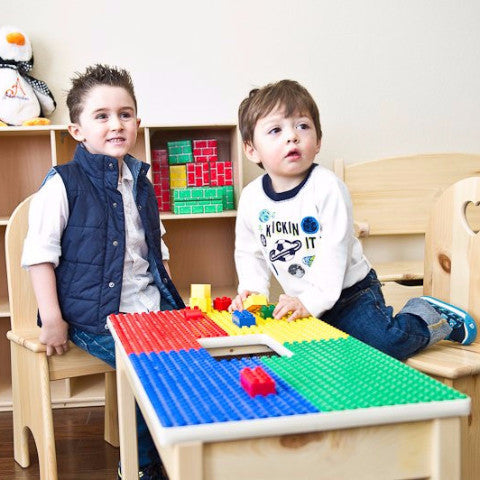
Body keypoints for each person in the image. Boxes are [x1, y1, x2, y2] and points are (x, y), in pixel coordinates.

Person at [230, 79, 477, 361]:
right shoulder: (252, 198)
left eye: (302, 126)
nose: (292, 137)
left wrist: (310, 301)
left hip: (351, 295)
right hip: (306, 300)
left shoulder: (326, 187)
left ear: (318, 141)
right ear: (251, 150)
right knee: (320, 358)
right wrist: (252, 292)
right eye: (276, 130)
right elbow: (250, 252)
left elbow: (334, 249)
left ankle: (429, 316)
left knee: (386, 344)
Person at [21, 64, 182, 480]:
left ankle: (187, 455)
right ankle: (142, 467)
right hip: (92, 313)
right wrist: (53, 318)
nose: (116, 124)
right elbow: (40, 255)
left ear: (138, 123)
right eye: (102, 116)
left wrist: (173, 309)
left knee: (197, 360)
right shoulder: (64, 183)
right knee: (150, 372)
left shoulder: (142, 183)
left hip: (148, 304)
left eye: (125, 114)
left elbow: (155, 252)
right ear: (77, 130)